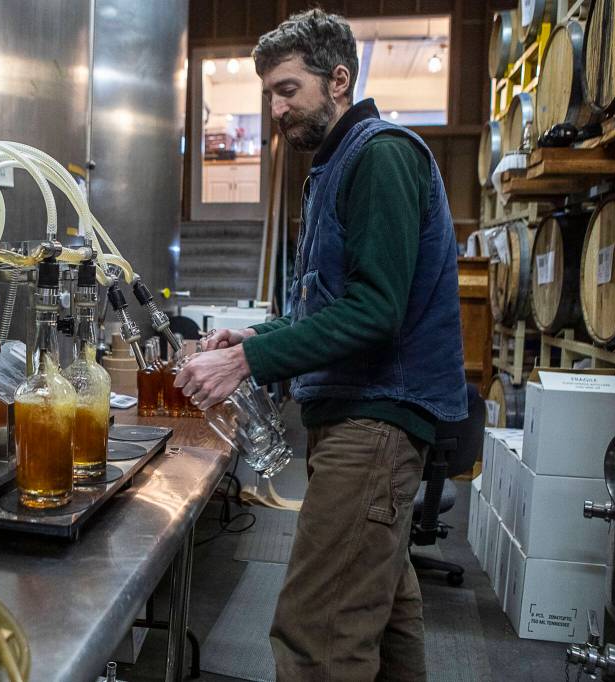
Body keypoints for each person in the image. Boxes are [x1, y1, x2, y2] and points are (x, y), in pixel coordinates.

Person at [174, 9, 467, 681]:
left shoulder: (382, 155)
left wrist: (246, 361)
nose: (275, 108)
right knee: (385, 620)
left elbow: (377, 312)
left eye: (287, 90)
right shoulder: (337, 166)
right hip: (357, 422)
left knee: (317, 637)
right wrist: (257, 333)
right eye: (268, 93)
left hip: (377, 424)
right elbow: (332, 306)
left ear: (338, 79)